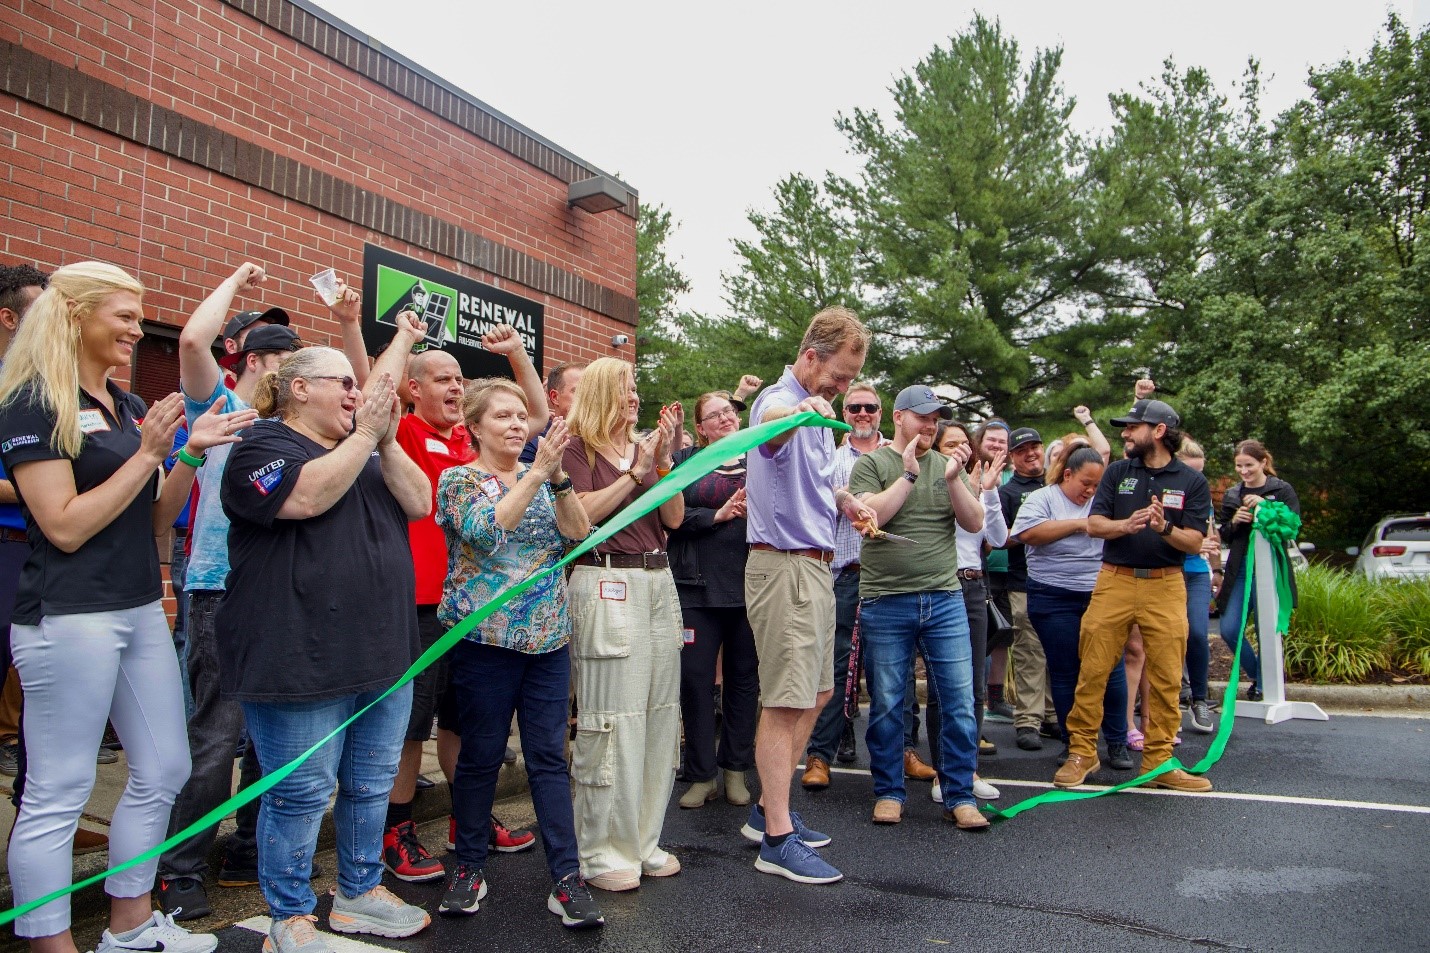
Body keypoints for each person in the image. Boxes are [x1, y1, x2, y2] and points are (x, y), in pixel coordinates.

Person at [0, 261, 253, 953]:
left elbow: (156, 516)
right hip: (69, 615)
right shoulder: (32, 401)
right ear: (76, 314)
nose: (138, 330)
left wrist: (189, 456)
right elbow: (63, 524)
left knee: (166, 766)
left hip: (140, 606)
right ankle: (50, 944)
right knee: (59, 789)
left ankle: (131, 925)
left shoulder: (129, 404)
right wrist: (147, 456)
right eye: (126, 315)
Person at [218, 349, 432, 953]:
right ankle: (288, 917)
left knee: (370, 782)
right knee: (301, 791)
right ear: (299, 387)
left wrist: (385, 441)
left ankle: (359, 894)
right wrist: (365, 433)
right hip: (297, 656)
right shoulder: (261, 447)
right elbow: (305, 499)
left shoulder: (365, 450)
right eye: (344, 382)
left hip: (383, 653)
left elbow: (420, 503)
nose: (355, 391)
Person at [157, 263, 309, 920]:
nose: (280, 355)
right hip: (218, 590)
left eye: (289, 348)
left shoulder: (297, 419)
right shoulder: (213, 403)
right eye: (269, 346)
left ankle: (248, 845)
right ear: (242, 355)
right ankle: (181, 865)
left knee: (270, 733)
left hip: (281, 594)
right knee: (216, 735)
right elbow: (191, 342)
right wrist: (240, 277)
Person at [434, 377, 603, 927]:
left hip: (548, 641)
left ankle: (566, 879)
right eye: (501, 417)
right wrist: (534, 474)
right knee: (481, 757)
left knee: (550, 761)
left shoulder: (547, 478)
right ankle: (468, 869)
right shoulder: (458, 481)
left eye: (519, 416)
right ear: (475, 427)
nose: (514, 425)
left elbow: (579, 537)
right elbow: (485, 534)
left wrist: (558, 482)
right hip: (485, 645)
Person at [384, 320, 547, 883]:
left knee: (462, 721)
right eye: (443, 380)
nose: (455, 388)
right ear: (414, 389)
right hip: (416, 602)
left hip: (467, 609)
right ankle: (396, 829)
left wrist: (518, 355)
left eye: (460, 380)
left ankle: (467, 821)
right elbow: (376, 391)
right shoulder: (402, 432)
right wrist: (400, 340)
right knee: (411, 724)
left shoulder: (467, 440)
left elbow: (539, 418)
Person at [741, 307, 876, 886]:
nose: (844, 390)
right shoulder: (779, 401)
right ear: (811, 356)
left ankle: (767, 809)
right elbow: (772, 420)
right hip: (784, 568)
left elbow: (818, 478)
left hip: (818, 567)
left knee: (818, 692)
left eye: (851, 380)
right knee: (786, 700)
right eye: (840, 377)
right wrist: (799, 410)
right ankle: (776, 836)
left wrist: (846, 501)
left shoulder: (822, 418)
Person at [563, 358, 685, 892]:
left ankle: (643, 841)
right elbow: (581, 515)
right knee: (611, 720)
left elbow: (675, 517)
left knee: (659, 717)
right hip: (606, 582)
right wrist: (634, 473)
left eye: (636, 388)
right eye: (624, 388)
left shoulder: (643, 448)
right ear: (599, 394)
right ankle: (601, 851)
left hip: (659, 581)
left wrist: (664, 464)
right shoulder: (576, 448)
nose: (634, 397)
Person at [1055, 398, 1213, 794]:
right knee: (1092, 669)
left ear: (1158, 431)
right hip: (1114, 580)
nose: (1125, 433)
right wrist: (1125, 525)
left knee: (1165, 676)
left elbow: (1194, 542)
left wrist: (1162, 529)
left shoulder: (1191, 481)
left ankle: (1159, 760)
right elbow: (1094, 523)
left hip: (1167, 583)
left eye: (1132, 427)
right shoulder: (1118, 472)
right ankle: (1082, 752)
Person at [849, 386, 987, 829]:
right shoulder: (873, 463)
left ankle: (959, 794)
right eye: (922, 417)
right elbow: (872, 517)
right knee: (889, 703)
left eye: (935, 419)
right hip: (885, 600)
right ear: (899, 417)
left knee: (958, 700)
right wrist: (907, 476)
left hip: (944, 599)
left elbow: (974, 522)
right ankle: (889, 792)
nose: (930, 426)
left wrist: (951, 479)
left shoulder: (948, 467)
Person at [1010, 447, 1134, 772]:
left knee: (1111, 669)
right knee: (1065, 671)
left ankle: (1117, 741)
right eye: (1086, 483)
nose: (1091, 491)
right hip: (1052, 596)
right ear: (1067, 474)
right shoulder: (1043, 499)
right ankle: (1074, 743)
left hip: (1101, 593)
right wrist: (1081, 524)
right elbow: (1027, 534)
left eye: (1097, 485)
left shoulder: (1105, 500)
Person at [669, 391, 758, 810]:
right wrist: (714, 516)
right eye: (714, 415)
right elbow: (665, 517)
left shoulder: (763, 460)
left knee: (744, 683)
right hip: (696, 589)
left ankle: (736, 772)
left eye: (729, 411)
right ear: (700, 428)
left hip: (752, 589)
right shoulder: (686, 463)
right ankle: (701, 774)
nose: (725, 418)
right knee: (695, 682)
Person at [802, 382, 888, 790]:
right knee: (834, 667)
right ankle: (821, 755)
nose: (861, 414)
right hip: (847, 574)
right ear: (845, 414)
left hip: (893, 576)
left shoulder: (898, 458)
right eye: (853, 407)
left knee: (892, 669)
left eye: (869, 407)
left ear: (881, 413)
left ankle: (902, 752)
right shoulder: (832, 461)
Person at [929, 420, 1005, 801]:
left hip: (974, 586)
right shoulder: (931, 484)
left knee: (974, 688)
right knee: (945, 689)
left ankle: (967, 769)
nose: (959, 449)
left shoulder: (980, 484)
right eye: (950, 443)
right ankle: (942, 775)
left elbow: (999, 539)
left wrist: (987, 493)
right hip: (941, 586)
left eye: (964, 443)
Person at [1217, 439, 1301, 702]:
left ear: (1263, 462)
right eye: (1239, 466)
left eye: (1249, 465)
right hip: (1241, 569)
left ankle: (1265, 686)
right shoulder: (1232, 494)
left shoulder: (1281, 489)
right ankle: (1258, 676)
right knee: (1229, 630)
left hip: (1271, 569)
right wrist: (1235, 521)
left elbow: (1292, 526)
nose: (1244, 471)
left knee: (1268, 629)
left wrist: (1264, 508)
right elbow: (1225, 535)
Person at [998, 427, 1060, 752]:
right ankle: (1027, 720)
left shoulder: (1058, 485)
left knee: (1055, 650)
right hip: (1023, 581)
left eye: (1036, 446)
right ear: (1013, 457)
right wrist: (1030, 531)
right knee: (1029, 652)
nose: (1031, 453)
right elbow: (999, 538)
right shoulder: (1008, 492)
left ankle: (1051, 715)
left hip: (1060, 580)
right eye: (1023, 450)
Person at [1175, 437, 1218, 733]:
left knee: (1199, 634)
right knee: (1170, 636)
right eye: (1192, 471)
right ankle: (1175, 696)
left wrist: (1217, 570)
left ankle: (1199, 699)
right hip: (1170, 570)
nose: (1197, 477)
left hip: (1197, 572)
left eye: (1200, 471)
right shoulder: (1167, 492)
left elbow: (1211, 536)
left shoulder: (1202, 494)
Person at [976, 419, 1014, 723]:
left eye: (1003, 441)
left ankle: (996, 698)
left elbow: (999, 537)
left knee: (1000, 634)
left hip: (1002, 570)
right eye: (992, 440)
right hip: (972, 570)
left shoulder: (1010, 480)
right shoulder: (967, 473)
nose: (997, 446)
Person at [519, 361, 585, 465]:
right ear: (554, 397)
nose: (588, 398)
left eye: (592, 392)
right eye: (579, 391)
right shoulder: (534, 443)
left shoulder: (603, 442)